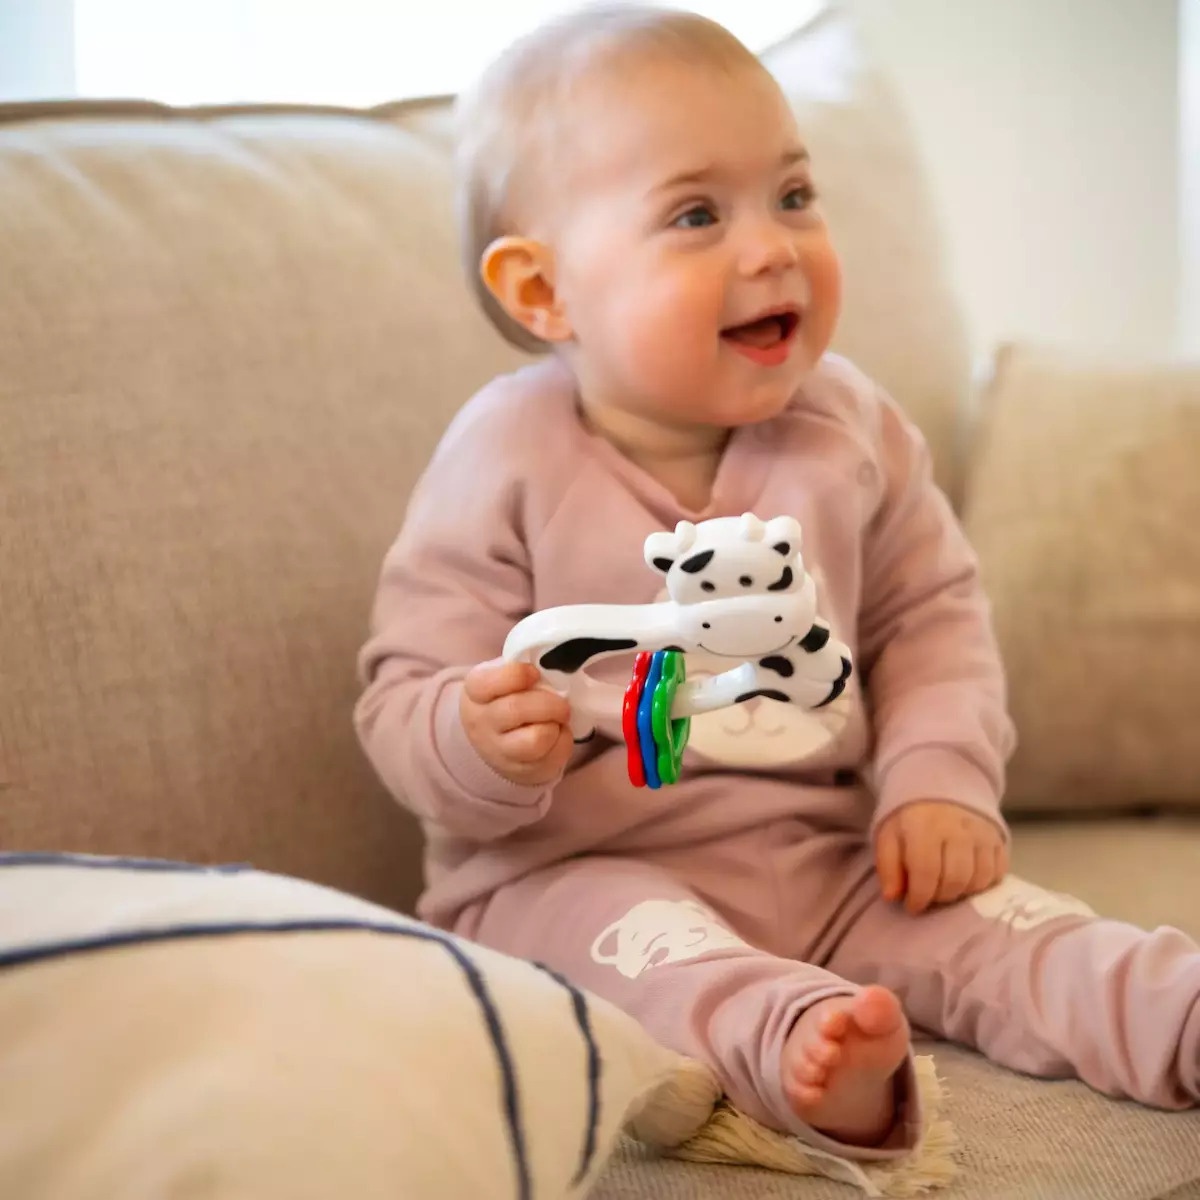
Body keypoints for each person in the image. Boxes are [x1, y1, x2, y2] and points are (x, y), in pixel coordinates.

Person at [355, 3, 1200, 1162]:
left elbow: (931, 621)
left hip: (838, 860)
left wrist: (939, 781)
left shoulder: (852, 428)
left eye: (793, 194)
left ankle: (1174, 1013)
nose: (771, 249)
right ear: (546, 292)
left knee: (1023, 934)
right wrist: (472, 739)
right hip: (578, 875)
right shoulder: (499, 459)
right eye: (697, 214)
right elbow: (404, 696)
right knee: (652, 960)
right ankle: (807, 1052)